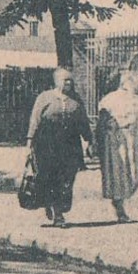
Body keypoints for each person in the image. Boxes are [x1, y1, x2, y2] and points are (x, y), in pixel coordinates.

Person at [96, 69, 138, 223]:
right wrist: (97, 141)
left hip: (133, 140)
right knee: (119, 173)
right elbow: (102, 121)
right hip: (117, 140)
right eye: (137, 81)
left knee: (135, 175)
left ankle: (119, 200)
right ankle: (119, 206)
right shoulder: (110, 99)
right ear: (127, 82)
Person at [27, 68, 93, 227]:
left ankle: (58, 208)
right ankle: (57, 213)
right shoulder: (45, 97)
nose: (69, 83)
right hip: (47, 144)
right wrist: (29, 141)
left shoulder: (75, 99)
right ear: (57, 81)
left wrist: (90, 141)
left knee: (67, 179)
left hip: (70, 145)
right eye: (65, 80)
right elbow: (35, 119)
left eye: (71, 80)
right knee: (51, 177)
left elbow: (83, 121)